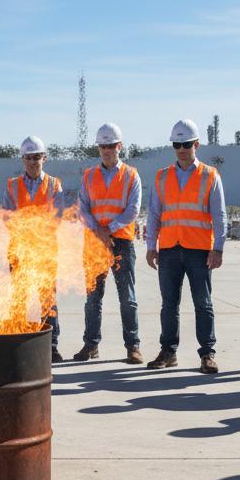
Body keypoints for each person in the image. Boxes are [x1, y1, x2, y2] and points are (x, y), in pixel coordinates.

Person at [145, 119, 226, 373]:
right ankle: (168, 351)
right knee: (169, 304)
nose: (181, 148)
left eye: (186, 144)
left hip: (199, 250)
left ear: (196, 145)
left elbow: (219, 215)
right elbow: (154, 214)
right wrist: (150, 245)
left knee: (203, 303)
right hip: (169, 249)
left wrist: (219, 247)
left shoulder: (210, 175)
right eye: (177, 144)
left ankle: (207, 353)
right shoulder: (162, 176)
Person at [74, 123, 143, 364]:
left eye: (111, 145)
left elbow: (133, 209)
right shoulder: (89, 175)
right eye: (103, 146)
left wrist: (109, 229)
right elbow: (82, 207)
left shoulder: (131, 175)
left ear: (119, 146)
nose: (106, 150)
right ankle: (91, 345)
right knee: (93, 298)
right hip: (94, 243)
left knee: (128, 297)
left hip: (121, 242)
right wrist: (98, 231)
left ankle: (132, 346)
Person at [3, 135, 65, 361]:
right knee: (19, 297)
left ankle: (51, 345)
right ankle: (17, 341)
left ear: (44, 158)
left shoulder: (54, 185)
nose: (33, 162)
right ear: (23, 160)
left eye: (37, 157)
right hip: (19, 251)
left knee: (47, 299)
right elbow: (8, 218)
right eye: (28, 158)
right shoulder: (12, 185)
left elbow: (56, 217)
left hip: (45, 252)